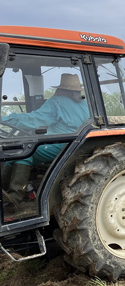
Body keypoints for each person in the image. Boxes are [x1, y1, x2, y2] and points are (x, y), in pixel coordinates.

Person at [1, 73, 90, 212]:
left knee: (24, 153)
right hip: (76, 145)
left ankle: (14, 200)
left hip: (61, 145)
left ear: (61, 89)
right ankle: (5, 192)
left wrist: (6, 119)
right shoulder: (85, 105)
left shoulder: (56, 102)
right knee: (17, 152)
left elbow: (35, 120)